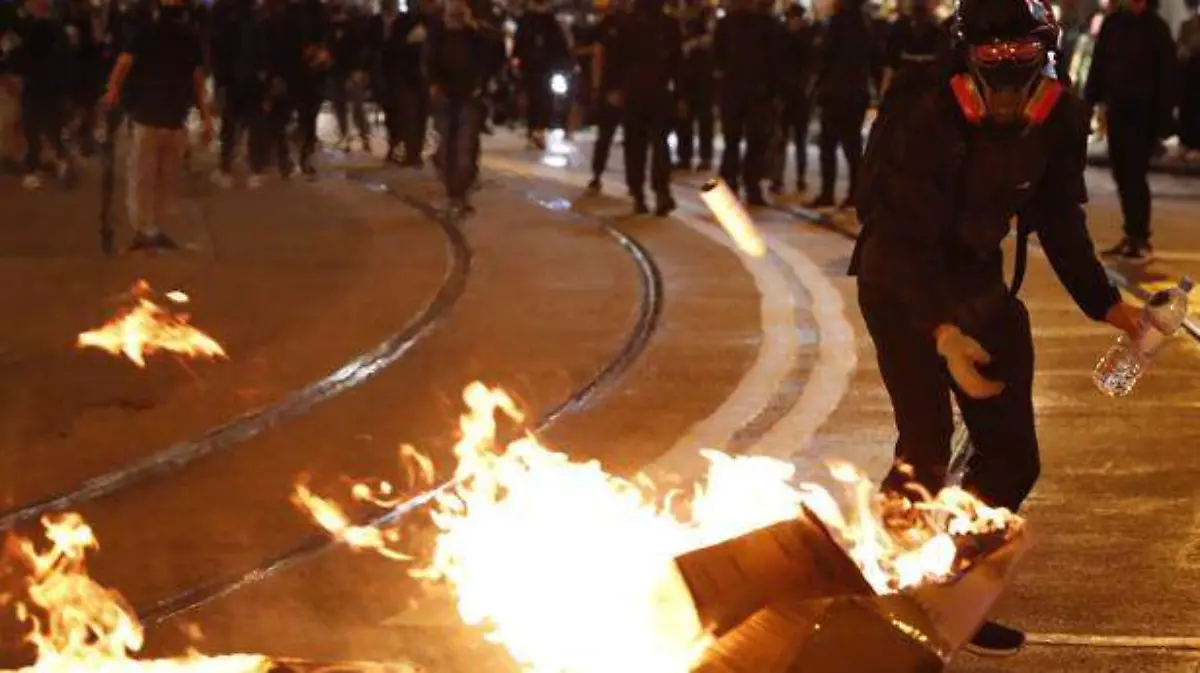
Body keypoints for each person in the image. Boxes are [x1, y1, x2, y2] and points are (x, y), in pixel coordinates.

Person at [850, 0, 1142, 655]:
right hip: (902, 286)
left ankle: (949, 592)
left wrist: (1108, 306)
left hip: (980, 285)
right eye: (991, 52)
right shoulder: (921, 105)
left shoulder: (1059, 117)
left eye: (1022, 50)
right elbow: (894, 240)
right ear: (964, 52)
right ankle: (885, 596)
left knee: (1013, 457)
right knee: (923, 449)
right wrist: (943, 336)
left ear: (1048, 50)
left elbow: (1060, 221)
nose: (1008, 64)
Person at [104, 0, 212, 251]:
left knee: (154, 177)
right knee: (153, 176)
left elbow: (124, 64)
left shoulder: (166, 33)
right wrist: (205, 116)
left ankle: (150, 228)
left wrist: (113, 92)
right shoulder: (167, 33)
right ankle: (147, 228)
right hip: (160, 115)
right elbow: (197, 79)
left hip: (161, 115)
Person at [1085, 0, 1175, 263]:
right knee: (1121, 172)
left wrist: (1163, 120)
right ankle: (1130, 233)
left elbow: (1167, 75)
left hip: (1143, 113)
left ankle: (1140, 236)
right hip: (1117, 109)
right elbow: (1099, 63)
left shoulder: (1156, 28)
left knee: (1135, 174)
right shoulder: (1114, 24)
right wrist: (1089, 100)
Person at [608, 0, 681, 216]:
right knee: (658, 142)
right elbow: (677, 62)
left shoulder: (627, 23)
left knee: (637, 143)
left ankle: (640, 192)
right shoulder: (669, 24)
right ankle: (659, 191)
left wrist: (614, 88)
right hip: (658, 87)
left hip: (636, 89)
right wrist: (679, 93)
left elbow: (616, 59)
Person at [424, 0, 494, 213]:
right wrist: (434, 83)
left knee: (464, 146)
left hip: (469, 95)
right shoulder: (438, 27)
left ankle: (461, 193)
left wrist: (478, 30)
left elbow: (492, 56)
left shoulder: (476, 31)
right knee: (447, 145)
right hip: (445, 95)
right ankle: (453, 190)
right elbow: (429, 56)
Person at [807, 0, 877, 209]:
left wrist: (817, 81)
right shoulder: (865, 24)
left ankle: (828, 192)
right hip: (856, 91)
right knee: (852, 145)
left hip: (836, 91)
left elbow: (825, 55)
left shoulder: (837, 23)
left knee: (829, 144)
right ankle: (854, 192)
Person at [713, 0, 780, 206]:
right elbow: (776, 60)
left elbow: (717, 57)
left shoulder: (727, 24)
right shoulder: (767, 24)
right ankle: (747, 186)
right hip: (754, 91)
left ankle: (736, 185)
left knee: (739, 141)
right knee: (751, 141)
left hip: (742, 90)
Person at [11, 0, 74, 190]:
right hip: (49, 84)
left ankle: (35, 168)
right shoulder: (56, 27)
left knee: (33, 127)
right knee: (48, 127)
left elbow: (20, 55)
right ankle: (58, 161)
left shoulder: (33, 27)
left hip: (37, 84)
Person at [769, 2, 816, 195]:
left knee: (798, 139)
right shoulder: (786, 38)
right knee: (783, 139)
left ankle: (799, 178)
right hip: (788, 94)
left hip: (797, 95)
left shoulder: (803, 38)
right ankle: (779, 178)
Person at [513, 0, 570, 149]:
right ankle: (534, 130)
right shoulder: (528, 20)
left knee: (544, 99)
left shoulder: (550, 21)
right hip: (532, 66)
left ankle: (538, 130)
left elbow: (560, 45)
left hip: (545, 67)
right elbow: (519, 42)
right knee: (536, 98)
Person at [584, 0, 626, 192]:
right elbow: (597, 53)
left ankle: (634, 183)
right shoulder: (608, 23)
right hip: (612, 86)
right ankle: (597, 173)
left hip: (626, 87)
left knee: (629, 137)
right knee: (606, 134)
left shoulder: (630, 23)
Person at [675, 0, 714, 172]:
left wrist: (693, 44)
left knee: (704, 116)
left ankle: (705, 156)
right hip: (684, 71)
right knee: (684, 116)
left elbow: (711, 38)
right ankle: (685, 156)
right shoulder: (679, 15)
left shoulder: (707, 13)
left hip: (703, 72)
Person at [881, 0, 950, 94]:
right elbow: (890, 60)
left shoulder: (937, 29)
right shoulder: (899, 27)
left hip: (929, 75)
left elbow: (943, 58)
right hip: (905, 74)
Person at [1179, 0, 1200, 158]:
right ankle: (1187, 142)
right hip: (1189, 72)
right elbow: (1181, 47)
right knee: (1188, 107)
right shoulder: (1187, 25)